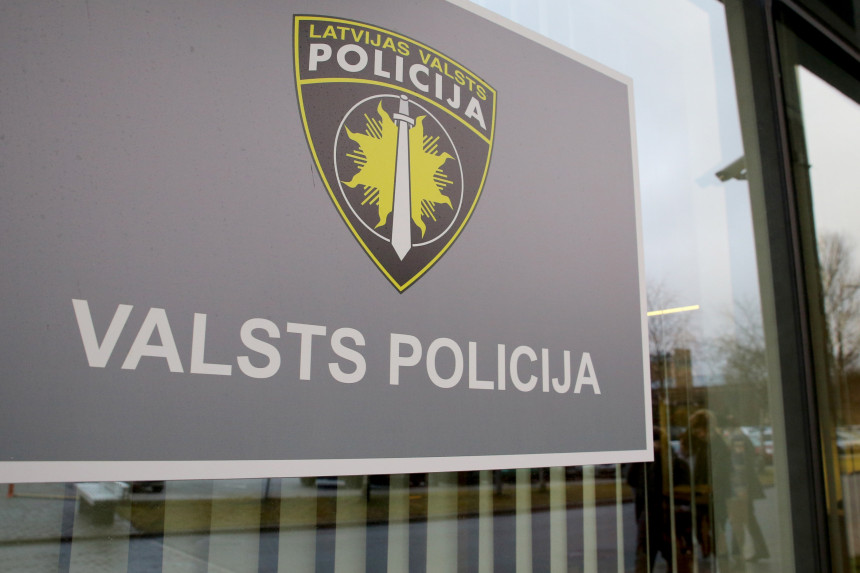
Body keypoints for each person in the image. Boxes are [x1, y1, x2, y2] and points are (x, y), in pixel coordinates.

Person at [628, 427, 692, 572]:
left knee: (649, 557)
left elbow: (635, 482)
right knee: (671, 559)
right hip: (663, 516)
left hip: (661, 516)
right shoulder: (670, 463)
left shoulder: (666, 463)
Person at [725, 415, 770, 564]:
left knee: (740, 519)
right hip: (743, 487)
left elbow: (739, 465)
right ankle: (755, 550)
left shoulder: (736, 438)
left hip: (741, 487)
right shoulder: (739, 437)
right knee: (746, 518)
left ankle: (738, 553)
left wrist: (740, 489)